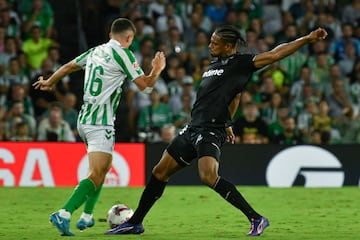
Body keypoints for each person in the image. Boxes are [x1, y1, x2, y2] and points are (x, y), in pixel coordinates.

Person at [106, 25, 328, 236]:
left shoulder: (241, 63)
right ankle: (135, 223)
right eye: (211, 41)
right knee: (159, 172)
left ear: (229, 46)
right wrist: (229, 122)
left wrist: (307, 39)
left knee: (208, 176)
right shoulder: (213, 66)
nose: (210, 45)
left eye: (215, 42)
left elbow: (275, 53)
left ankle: (256, 218)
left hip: (211, 129)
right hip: (193, 127)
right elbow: (236, 95)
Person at [32, 18, 166, 236]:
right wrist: (157, 69)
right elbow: (146, 87)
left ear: (110, 35)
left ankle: (87, 215)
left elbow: (68, 66)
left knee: (102, 169)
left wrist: (51, 81)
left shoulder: (96, 51)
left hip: (84, 119)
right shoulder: (124, 53)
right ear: (129, 38)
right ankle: (64, 213)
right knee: (96, 173)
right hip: (100, 122)